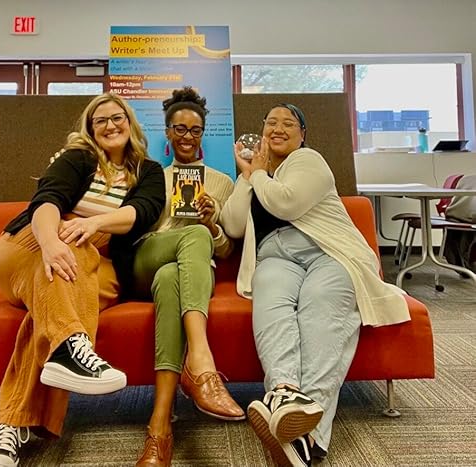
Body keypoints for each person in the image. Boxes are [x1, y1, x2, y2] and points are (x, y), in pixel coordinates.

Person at [0, 92, 166, 467]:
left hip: (99, 262)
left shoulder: (148, 170)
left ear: (130, 122)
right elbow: (48, 200)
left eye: (117, 117)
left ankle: (9, 425)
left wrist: (94, 223)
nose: (110, 125)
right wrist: (52, 242)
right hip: (31, 246)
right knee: (70, 248)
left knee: (53, 299)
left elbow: (143, 211)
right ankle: (71, 347)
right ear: (90, 130)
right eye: (101, 121)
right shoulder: (78, 158)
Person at [220, 103, 410, 466]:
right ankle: (285, 392)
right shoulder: (258, 175)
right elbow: (233, 225)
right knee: (271, 305)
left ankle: (307, 436)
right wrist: (247, 176)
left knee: (320, 310)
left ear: (302, 134)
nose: (278, 128)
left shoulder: (309, 161)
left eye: (288, 123)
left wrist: (258, 175)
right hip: (275, 256)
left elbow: (287, 203)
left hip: (329, 252)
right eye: (271, 122)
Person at [133, 86, 244, 467]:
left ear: (203, 134)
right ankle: (201, 362)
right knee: (186, 242)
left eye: (195, 130)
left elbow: (225, 250)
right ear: (167, 132)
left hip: (190, 272)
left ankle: (159, 428)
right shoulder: (152, 176)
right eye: (179, 129)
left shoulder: (221, 182)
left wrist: (212, 223)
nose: (187, 137)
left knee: (172, 276)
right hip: (150, 257)